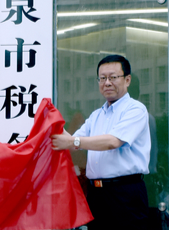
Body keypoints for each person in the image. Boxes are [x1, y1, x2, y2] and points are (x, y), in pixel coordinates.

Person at [51, 54, 151, 229]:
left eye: (113, 77)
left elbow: (112, 142)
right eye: (102, 78)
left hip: (125, 194)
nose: (107, 83)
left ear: (127, 80)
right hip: (96, 194)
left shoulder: (136, 109)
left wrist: (73, 142)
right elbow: (73, 142)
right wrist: (51, 120)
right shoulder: (97, 115)